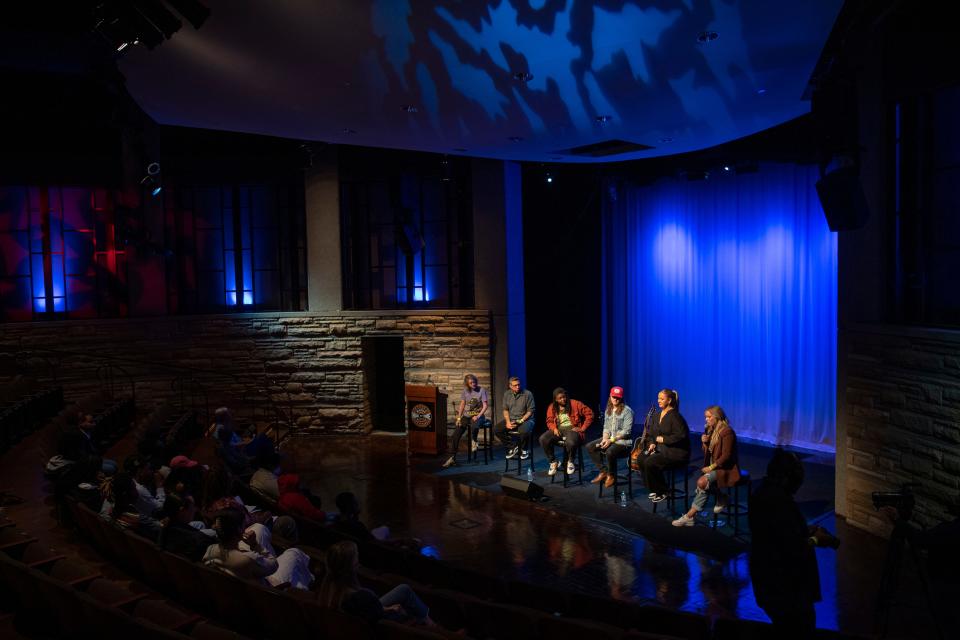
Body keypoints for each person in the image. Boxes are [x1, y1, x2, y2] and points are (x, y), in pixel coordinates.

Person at [749, 449, 837, 637]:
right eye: (797, 476)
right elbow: (789, 549)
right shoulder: (778, 502)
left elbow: (778, 536)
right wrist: (816, 539)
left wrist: (803, 531)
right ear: (785, 476)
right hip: (786, 591)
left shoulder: (763, 494)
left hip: (770, 586)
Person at [318, 540, 435, 627]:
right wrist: (393, 611)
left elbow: (368, 611)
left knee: (403, 589)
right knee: (406, 596)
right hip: (378, 624)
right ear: (350, 566)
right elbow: (379, 619)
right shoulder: (360, 596)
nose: (358, 559)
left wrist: (385, 608)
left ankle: (428, 621)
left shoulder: (327, 587)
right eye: (356, 556)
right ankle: (432, 627)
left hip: (365, 612)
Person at [202, 507, 314, 590]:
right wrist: (255, 545)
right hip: (268, 588)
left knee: (259, 528)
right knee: (294, 552)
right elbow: (274, 565)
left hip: (243, 577)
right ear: (239, 530)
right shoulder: (248, 559)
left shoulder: (211, 549)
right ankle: (309, 583)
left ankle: (299, 581)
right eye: (243, 525)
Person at [672, 405, 741, 526]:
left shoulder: (727, 432)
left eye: (709, 417)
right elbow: (708, 453)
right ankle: (721, 497)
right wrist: (705, 443)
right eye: (705, 417)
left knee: (702, 483)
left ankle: (689, 516)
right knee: (704, 484)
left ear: (717, 417)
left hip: (726, 469)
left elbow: (726, 456)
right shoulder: (712, 430)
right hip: (716, 467)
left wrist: (711, 467)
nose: (706, 420)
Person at [636, 389, 690, 502]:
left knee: (650, 462)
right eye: (658, 398)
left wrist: (664, 439)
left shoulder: (675, 417)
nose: (659, 401)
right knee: (641, 458)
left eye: (662, 399)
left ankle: (663, 491)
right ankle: (654, 489)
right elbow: (651, 434)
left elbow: (681, 436)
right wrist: (652, 444)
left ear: (669, 400)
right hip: (661, 450)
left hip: (675, 452)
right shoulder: (656, 416)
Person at [539, 387, 593, 476]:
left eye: (564, 397)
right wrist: (554, 428)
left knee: (571, 442)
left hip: (572, 429)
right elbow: (549, 421)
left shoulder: (575, 403)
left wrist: (583, 428)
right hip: (559, 430)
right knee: (543, 439)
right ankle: (553, 462)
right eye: (560, 398)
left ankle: (570, 461)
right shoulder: (552, 407)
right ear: (556, 400)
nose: (563, 399)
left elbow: (589, 414)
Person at [586, 386, 634, 487]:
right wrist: (604, 438)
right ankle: (604, 471)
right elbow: (606, 427)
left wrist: (611, 440)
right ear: (610, 397)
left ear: (621, 398)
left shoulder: (627, 411)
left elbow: (627, 432)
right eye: (614, 397)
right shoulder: (609, 409)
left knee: (610, 451)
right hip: (610, 438)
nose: (615, 399)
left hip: (623, 442)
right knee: (590, 446)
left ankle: (611, 475)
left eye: (618, 397)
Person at [442, 374, 490, 468]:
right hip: (466, 416)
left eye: (474, 381)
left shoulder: (481, 390)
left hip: (478, 415)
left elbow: (485, 406)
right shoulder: (465, 391)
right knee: (456, 434)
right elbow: (462, 405)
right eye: (471, 383)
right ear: (467, 384)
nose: (473, 384)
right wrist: (459, 418)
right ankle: (452, 458)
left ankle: (474, 441)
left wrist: (478, 415)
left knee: (474, 425)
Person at [495, 376, 535, 460]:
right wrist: (508, 422)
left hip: (526, 420)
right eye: (515, 385)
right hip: (512, 419)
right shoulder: (507, 394)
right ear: (510, 386)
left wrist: (521, 420)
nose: (518, 387)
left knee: (523, 430)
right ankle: (513, 447)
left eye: (519, 385)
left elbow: (530, 411)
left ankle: (524, 450)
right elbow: (505, 410)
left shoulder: (527, 394)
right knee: (497, 429)